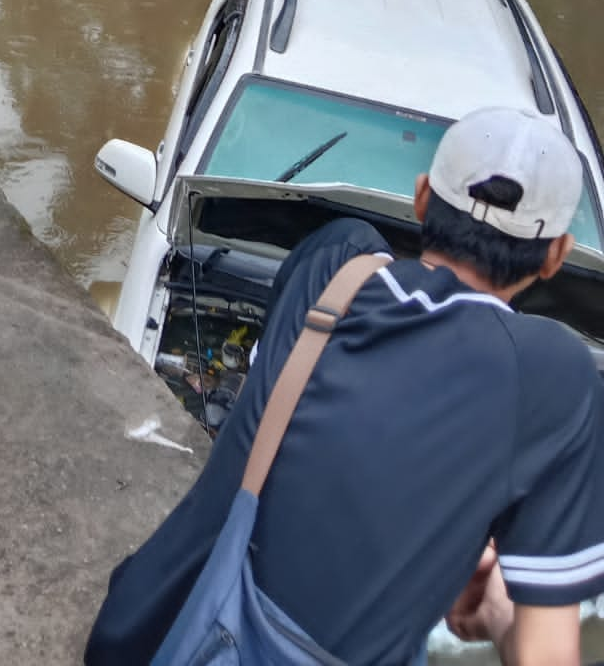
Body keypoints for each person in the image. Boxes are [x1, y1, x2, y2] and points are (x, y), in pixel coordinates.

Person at [86, 106, 604, 666]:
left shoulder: (335, 260)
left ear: (424, 198)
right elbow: (544, 654)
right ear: (555, 256)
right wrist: (501, 611)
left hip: (147, 633)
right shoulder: (558, 377)